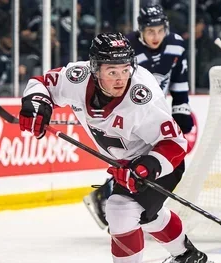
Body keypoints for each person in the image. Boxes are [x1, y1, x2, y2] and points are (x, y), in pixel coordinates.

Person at [18, 32, 215, 263]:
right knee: (148, 215)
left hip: (161, 163)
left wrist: (144, 168)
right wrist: (37, 103)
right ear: (94, 69)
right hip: (128, 164)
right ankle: (187, 255)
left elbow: (176, 144)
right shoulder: (77, 77)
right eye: (112, 71)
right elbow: (42, 83)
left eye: (125, 70)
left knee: (121, 209)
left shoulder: (142, 96)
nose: (120, 78)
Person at [83, 3, 195, 229]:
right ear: (140, 30)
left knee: (154, 155)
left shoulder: (176, 44)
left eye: (160, 31)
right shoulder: (127, 49)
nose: (156, 36)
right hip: (128, 109)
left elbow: (179, 78)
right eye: (150, 31)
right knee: (133, 156)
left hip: (153, 109)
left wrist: (181, 105)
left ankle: (126, 199)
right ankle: (110, 194)